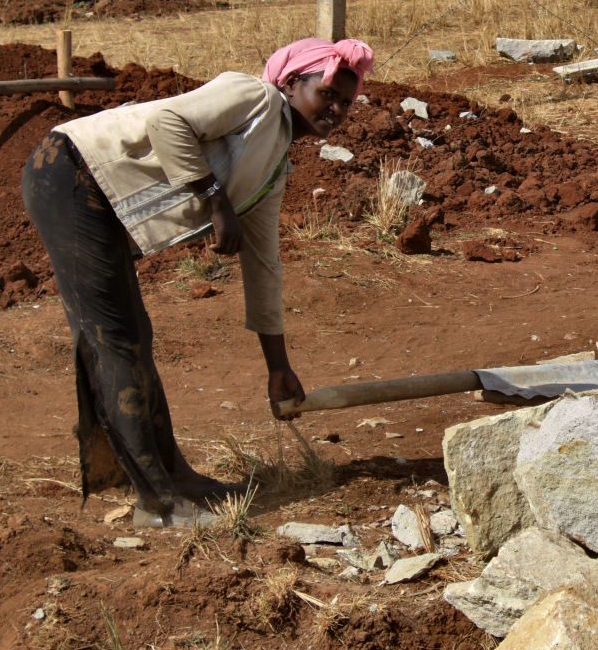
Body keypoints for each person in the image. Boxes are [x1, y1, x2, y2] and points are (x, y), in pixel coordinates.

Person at [22, 37, 373, 527]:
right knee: (115, 340)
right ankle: (158, 505)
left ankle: (174, 478)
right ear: (293, 83)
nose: (334, 110)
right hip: (71, 172)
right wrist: (214, 198)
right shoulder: (254, 97)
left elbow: (264, 262)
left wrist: (278, 365)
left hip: (94, 195)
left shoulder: (273, 167)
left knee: (132, 336)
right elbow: (168, 122)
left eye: (345, 104)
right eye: (327, 94)